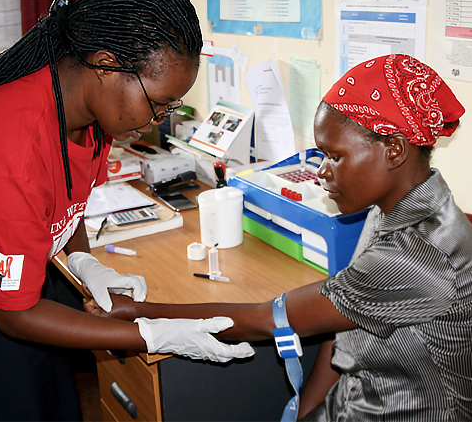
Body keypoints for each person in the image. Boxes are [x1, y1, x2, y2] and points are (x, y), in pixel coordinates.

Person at [85, 54, 472, 421]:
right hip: (357, 397)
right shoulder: (390, 208)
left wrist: (141, 311)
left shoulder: (418, 255)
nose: (322, 172)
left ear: (394, 150)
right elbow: (343, 323)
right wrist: (303, 411)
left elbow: (264, 319)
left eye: (334, 156)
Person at [0, 0, 254, 420]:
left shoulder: (86, 113)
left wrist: (82, 259)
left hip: (21, 287)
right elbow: (14, 315)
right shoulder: (13, 150)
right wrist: (150, 335)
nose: (157, 120)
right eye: (158, 103)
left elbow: (66, 197)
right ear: (105, 64)